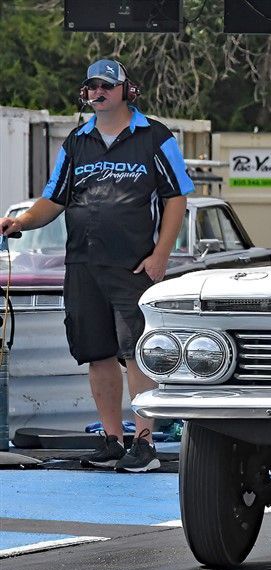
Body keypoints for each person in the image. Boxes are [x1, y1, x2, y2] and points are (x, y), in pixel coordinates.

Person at [0, 59, 194, 472]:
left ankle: (144, 446)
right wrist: (20, 222)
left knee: (135, 355)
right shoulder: (76, 142)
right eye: (92, 86)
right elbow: (54, 199)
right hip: (83, 264)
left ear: (127, 90)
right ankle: (112, 440)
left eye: (107, 84)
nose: (98, 91)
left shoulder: (155, 136)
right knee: (98, 354)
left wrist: (161, 255)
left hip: (133, 267)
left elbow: (177, 197)